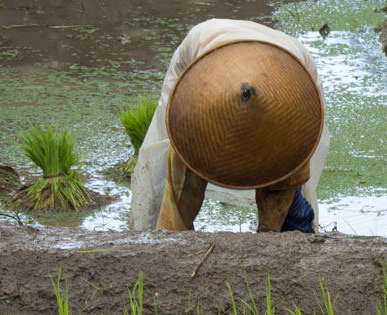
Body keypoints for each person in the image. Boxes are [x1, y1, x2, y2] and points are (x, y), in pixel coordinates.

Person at [129, 19, 329, 232]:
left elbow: (300, 143)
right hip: (205, 55)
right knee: (183, 153)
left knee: (286, 164)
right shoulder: (197, 53)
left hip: (289, 63)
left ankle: (274, 232)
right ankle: (169, 231)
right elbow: (180, 130)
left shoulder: (298, 75)